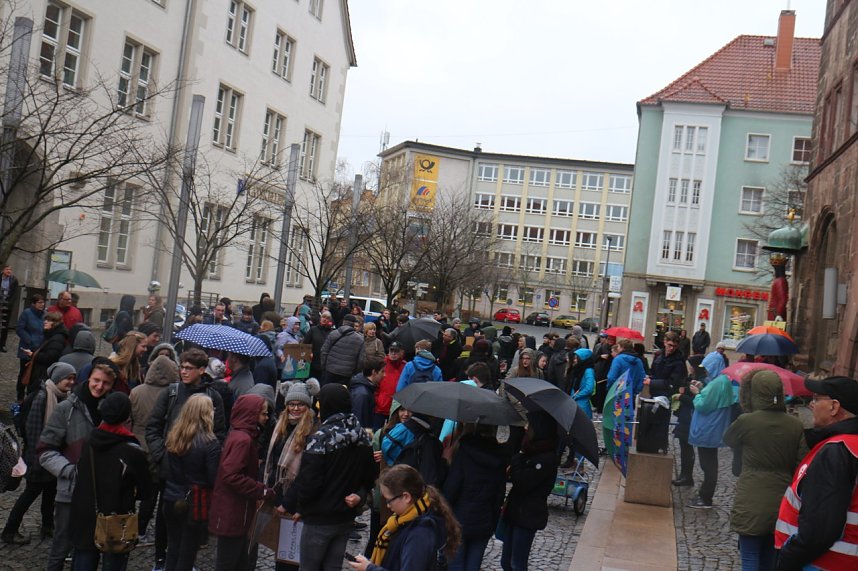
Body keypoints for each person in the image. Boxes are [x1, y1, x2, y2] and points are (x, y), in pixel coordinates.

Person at [145, 349, 227, 570]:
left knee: (192, 528)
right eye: (181, 367)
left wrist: (208, 455)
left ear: (201, 370)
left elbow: (220, 433)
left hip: (197, 477)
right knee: (166, 519)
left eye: (188, 368)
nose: (183, 371)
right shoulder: (171, 393)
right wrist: (162, 456)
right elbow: (152, 427)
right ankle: (161, 559)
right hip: (170, 470)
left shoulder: (213, 396)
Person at [37, 358, 119, 571]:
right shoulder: (66, 408)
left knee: (89, 546)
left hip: (101, 493)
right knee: (61, 543)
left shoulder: (113, 410)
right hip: (70, 491)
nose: (100, 386)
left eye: (106, 383)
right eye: (96, 380)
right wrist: (69, 471)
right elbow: (45, 450)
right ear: (88, 378)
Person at [722, 370, 806, 571]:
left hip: (751, 494)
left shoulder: (747, 421)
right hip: (783, 498)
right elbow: (802, 460)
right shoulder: (795, 425)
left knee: (750, 554)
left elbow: (728, 439)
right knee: (770, 555)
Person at [774, 376, 858, 570]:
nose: (811, 404)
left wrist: (787, 559)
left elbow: (820, 529)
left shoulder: (836, 450)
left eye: (817, 398)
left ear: (834, 407)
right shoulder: (849, 445)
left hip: (822, 563)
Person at [291, 383, 378, 571]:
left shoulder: (320, 438)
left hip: (319, 518)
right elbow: (370, 476)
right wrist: (359, 495)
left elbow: (309, 482)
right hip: (345, 516)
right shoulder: (362, 436)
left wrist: (301, 507)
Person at [68, 392, 151, 570]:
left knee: (84, 558)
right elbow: (146, 491)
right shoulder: (132, 451)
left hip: (85, 512)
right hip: (117, 517)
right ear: (126, 417)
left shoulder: (88, 441)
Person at [2, 363, 76, 545]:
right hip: (39, 458)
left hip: (53, 457)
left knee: (50, 494)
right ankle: (10, 531)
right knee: (29, 495)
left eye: (73, 378)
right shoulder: (43, 397)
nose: (71, 382)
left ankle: (48, 526)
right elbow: (33, 431)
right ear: (58, 378)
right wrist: (39, 459)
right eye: (68, 378)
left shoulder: (62, 397)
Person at [349, 464, 461, 571]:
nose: (387, 505)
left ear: (406, 497)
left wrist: (369, 568)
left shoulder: (419, 533)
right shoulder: (404, 520)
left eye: (389, 500)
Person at [209, 394, 275, 570]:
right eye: (263, 414)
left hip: (235, 512)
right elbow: (231, 475)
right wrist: (261, 490)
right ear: (251, 414)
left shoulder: (239, 435)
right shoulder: (243, 441)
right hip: (233, 513)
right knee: (228, 562)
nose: (266, 418)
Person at [262, 381, 318, 571]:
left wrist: (288, 502)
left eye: (300, 404)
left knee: (290, 554)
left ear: (307, 406)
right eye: (291, 404)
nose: (295, 408)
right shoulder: (280, 426)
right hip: (277, 495)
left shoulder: (311, 432)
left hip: (294, 500)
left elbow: (306, 474)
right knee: (281, 550)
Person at [162, 394, 221, 571]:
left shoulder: (175, 436)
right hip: (195, 502)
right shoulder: (210, 443)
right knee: (187, 551)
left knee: (173, 546)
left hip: (171, 497)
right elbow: (213, 478)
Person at [500, 411, 560, 571]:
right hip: (516, 511)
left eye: (530, 425)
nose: (526, 428)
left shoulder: (546, 458)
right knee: (506, 561)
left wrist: (518, 458)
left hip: (528, 515)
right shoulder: (531, 451)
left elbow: (522, 481)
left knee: (517, 563)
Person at [443, 425, 507, 571]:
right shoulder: (499, 458)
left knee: (456, 565)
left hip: (459, 519)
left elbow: (451, 489)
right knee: (474, 566)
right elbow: (499, 496)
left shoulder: (464, 454)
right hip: (484, 521)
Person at [130, 354, 177, 546]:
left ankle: (130, 526)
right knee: (152, 492)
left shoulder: (137, 391)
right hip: (159, 447)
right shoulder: (172, 394)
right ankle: (141, 530)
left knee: (133, 490)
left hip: (137, 445)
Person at [687, 373, 737, 509]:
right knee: (709, 464)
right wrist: (703, 388)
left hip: (708, 429)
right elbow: (713, 398)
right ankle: (705, 494)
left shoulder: (718, 382)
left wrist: (697, 393)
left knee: (708, 465)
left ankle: (705, 497)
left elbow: (703, 405)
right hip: (713, 429)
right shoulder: (722, 381)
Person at [24, 311, 69, 399]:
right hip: (40, 374)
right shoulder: (51, 335)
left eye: (48, 320)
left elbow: (51, 357)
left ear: (55, 323)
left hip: (43, 375)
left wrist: (33, 355)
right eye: (45, 320)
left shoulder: (57, 338)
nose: (45, 322)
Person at [319, 314, 365, 386]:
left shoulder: (333, 333)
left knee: (326, 393)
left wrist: (324, 367)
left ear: (343, 322)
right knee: (341, 395)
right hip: (346, 374)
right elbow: (360, 360)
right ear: (353, 324)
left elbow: (324, 351)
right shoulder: (360, 340)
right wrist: (354, 372)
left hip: (330, 370)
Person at [16, 293, 45, 399]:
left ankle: (31, 395)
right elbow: (19, 329)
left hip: (39, 350)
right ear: (33, 303)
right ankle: (20, 395)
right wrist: (29, 340)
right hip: (27, 348)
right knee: (24, 373)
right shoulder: (26, 314)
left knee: (35, 374)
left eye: (43, 302)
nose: (42, 304)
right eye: (39, 302)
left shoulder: (45, 314)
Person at [374, 342, 407, 429]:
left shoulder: (406, 366)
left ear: (402, 352)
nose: (393, 353)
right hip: (381, 407)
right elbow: (374, 382)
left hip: (396, 409)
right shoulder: (382, 364)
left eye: (396, 351)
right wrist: (377, 400)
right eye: (391, 350)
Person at [649, 331, 687, 397]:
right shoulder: (658, 355)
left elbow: (673, 383)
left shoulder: (679, 360)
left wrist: (651, 382)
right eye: (670, 345)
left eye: (675, 346)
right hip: (654, 392)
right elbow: (653, 372)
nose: (672, 348)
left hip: (668, 395)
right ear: (665, 342)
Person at [351, 358, 386, 429]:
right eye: (382, 371)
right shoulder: (362, 394)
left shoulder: (367, 388)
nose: (384, 375)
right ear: (374, 372)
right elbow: (359, 420)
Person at [306, 311, 334, 380]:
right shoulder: (313, 330)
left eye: (327, 318)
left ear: (330, 320)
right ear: (320, 318)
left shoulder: (332, 333)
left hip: (325, 366)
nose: (325, 319)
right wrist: (309, 352)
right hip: (312, 364)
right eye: (323, 317)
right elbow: (305, 344)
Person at [0, 264, 20, 352]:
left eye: (10, 269)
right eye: (7, 269)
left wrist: (8, 304)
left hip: (7, 306)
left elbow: (15, 294)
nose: (9, 271)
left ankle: (2, 345)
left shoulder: (14, 280)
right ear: (3, 270)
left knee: (5, 326)